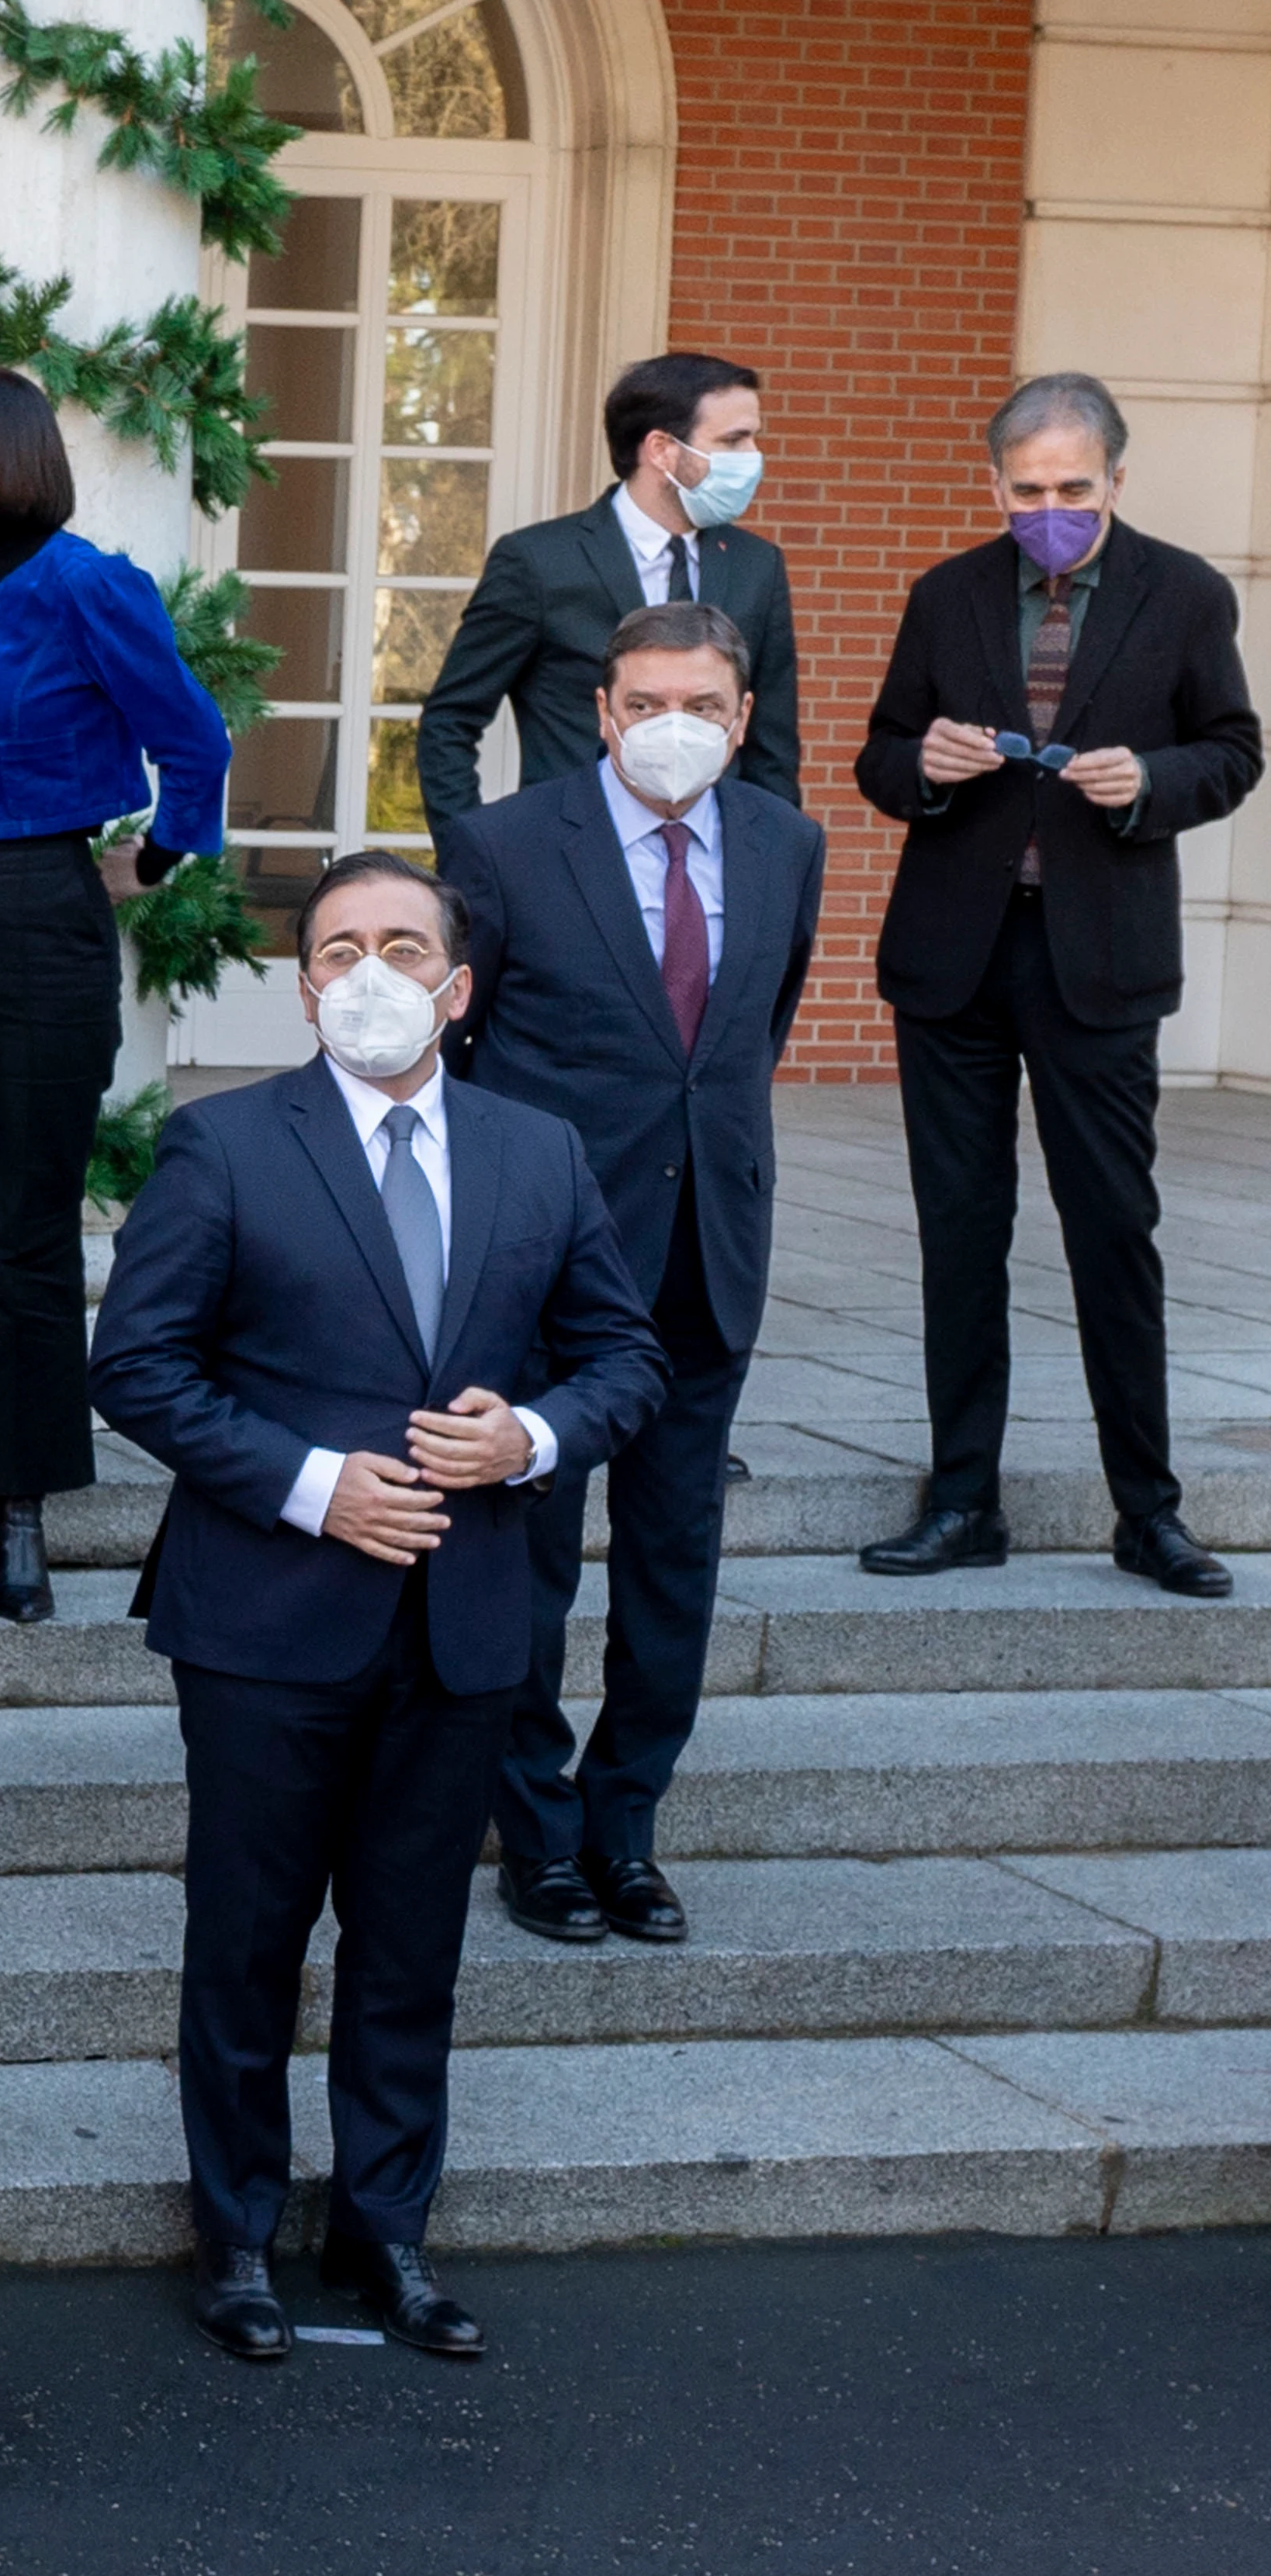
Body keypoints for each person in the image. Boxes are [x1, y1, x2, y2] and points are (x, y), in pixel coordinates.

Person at [89, 853, 663, 2363]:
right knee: (246, 1940)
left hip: (461, 1624)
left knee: (411, 1947)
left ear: (456, 986)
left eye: (400, 944)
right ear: (301, 984)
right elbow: (134, 1364)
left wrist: (525, 1439)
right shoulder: (220, 1146)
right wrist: (308, 1481)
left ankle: (386, 2230)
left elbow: (624, 1359)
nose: (367, 969)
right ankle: (234, 2236)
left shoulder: (538, 1153)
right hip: (264, 1621)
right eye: (336, 945)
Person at [443, 601, 825, 1946]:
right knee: (530, 1559)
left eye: (704, 706)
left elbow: (744, 1041)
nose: (675, 727)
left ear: (742, 717)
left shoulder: (789, 844)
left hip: (708, 1252)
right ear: (604, 712)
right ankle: (534, 1834)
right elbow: (469, 1056)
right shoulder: (501, 845)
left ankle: (627, 1828)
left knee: (674, 1559)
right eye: (647, 702)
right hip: (548, 1263)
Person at [855, 372, 1265, 1597]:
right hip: (955, 957)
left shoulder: (1184, 592)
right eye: (1027, 490)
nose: (1050, 509)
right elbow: (883, 751)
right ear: (995, 486)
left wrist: (1147, 777)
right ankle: (963, 1502)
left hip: (1101, 955)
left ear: (1117, 482)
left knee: (1112, 1235)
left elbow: (1234, 751)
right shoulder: (946, 593)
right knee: (960, 1236)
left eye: (1073, 489)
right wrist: (921, 765)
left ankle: (1149, 1513)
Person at [0, 367, 230, 1627]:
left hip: (46, 912)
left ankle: (19, 1505)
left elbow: (194, 742)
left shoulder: (96, 586)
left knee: (32, 1226)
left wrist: (152, 856)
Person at [416, 352, 805, 832]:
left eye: (753, 438)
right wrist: (474, 854)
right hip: (569, 854)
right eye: (732, 440)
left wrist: (768, 864)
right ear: (662, 449)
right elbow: (449, 724)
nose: (752, 457)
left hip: (708, 860)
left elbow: (772, 745)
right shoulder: (539, 562)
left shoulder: (756, 566)